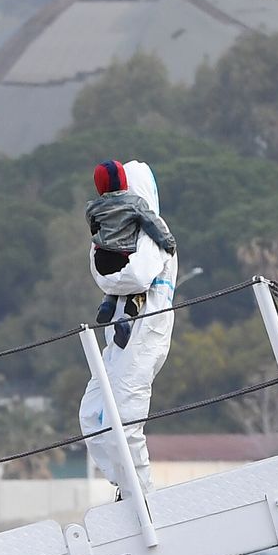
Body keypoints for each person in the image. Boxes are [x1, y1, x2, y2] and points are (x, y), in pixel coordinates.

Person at [79, 160, 177, 502]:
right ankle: (124, 484)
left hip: (146, 331)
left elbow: (135, 277)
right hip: (117, 339)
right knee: (91, 414)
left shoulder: (154, 233)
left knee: (127, 414)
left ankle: (141, 495)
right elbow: (101, 275)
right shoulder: (115, 229)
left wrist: (112, 269)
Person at [86, 160, 177, 348]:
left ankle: (108, 303)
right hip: (123, 257)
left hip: (101, 261)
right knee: (138, 285)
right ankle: (127, 319)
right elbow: (152, 224)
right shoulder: (135, 203)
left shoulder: (92, 208)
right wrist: (168, 243)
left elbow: (95, 227)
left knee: (114, 280)